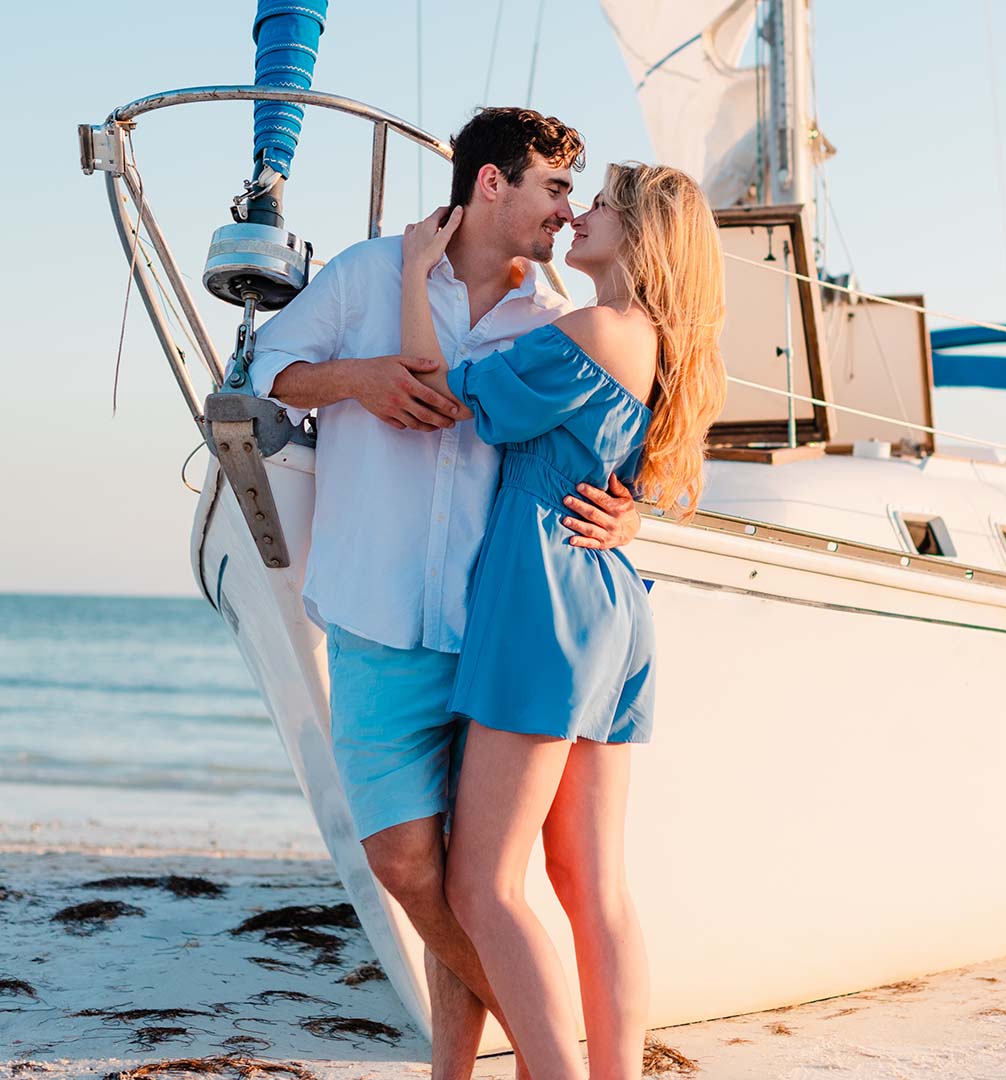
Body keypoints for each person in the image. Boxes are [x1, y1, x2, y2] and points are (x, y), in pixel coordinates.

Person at [249, 107, 643, 1078]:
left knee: (479, 879)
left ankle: (463, 1070)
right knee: (406, 868)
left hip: (492, 633)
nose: (564, 211)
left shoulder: (557, 318)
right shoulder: (364, 272)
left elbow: (605, 444)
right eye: (553, 188)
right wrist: (358, 380)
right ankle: (553, 1047)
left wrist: (633, 512)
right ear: (491, 184)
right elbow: (271, 368)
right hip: (373, 617)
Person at [396, 161, 727, 1077]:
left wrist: (415, 279)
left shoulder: (594, 328)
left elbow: (440, 395)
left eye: (605, 205)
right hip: (610, 600)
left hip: (543, 599)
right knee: (591, 887)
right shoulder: (655, 340)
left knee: (481, 883)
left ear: (645, 235)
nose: (581, 213)